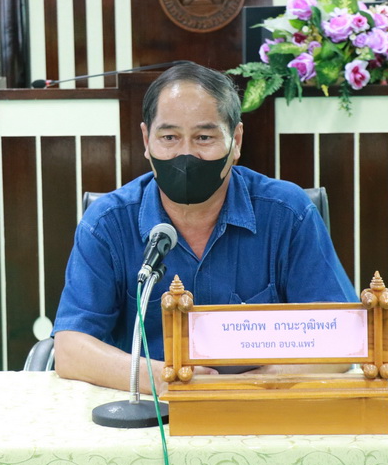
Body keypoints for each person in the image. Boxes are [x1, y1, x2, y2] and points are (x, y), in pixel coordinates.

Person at [52, 61, 357, 394]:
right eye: (169, 137)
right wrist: (165, 379)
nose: (186, 154)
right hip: (147, 414)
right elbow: (70, 350)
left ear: (235, 140)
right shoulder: (108, 222)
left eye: (204, 137)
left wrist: (254, 383)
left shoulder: (288, 214)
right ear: (146, 139)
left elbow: (345, 335)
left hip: (261, 409)